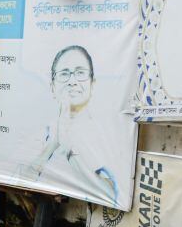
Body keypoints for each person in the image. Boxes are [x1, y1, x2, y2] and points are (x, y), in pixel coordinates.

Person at [21, 45, 118, 204]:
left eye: (80, 73)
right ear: (52, 86)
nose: (72, 82)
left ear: (92, 83)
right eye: (64, 74)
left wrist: (69, 151)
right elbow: (18, 179)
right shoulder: (44, 131)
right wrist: (52, 144)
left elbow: (110, 194)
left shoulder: (104, 133)